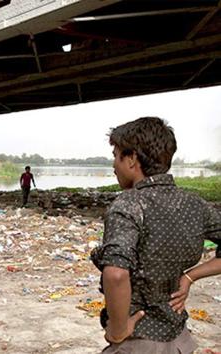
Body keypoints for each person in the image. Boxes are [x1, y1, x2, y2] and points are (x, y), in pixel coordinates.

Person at [90, 117, 221, 353]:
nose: (113, 165)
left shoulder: (129, 204)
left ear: (132, 159)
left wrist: (118, 330)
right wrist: (190, 277)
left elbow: (117, 274)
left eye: (116, 155)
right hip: (180, 340)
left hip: (138, 342)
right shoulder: (195, 204)